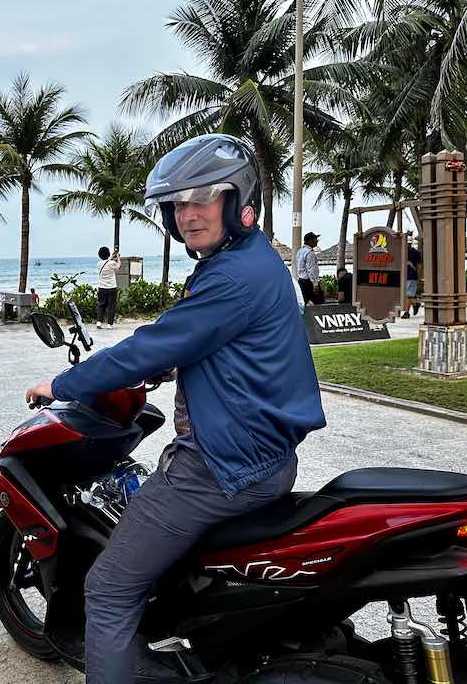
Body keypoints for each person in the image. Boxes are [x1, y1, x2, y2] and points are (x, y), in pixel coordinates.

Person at [25, 133, 325, 684]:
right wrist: (168, 366)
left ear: (237, 202)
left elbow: (151, 344)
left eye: (203, 198)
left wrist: (62, 384)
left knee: (109, 588)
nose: (188, 214)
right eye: (178, 203)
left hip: (219, 467)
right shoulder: (248, 261)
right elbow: (200, 342)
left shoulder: (232, 276)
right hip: (260, 455)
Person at [95, 246, 121, 329]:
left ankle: (99, 322)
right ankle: (109, 324)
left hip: (102, 288)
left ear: (100, 255)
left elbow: (106, 262)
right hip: (112, 288)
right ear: (108, 253)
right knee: (111, 306)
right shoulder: (112, 263)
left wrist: (112, 257)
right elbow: (118, 266)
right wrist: (117, 257)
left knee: (101, 305)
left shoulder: (98, 264)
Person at [295, 232, 323, 305]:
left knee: (304, 303)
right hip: (309, 282)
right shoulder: (310, 253)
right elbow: (311, 270)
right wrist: (315, 284)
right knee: (319, 303)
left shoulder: (300, 251)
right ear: (310, 241)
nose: (317, 241)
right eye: (315, 239)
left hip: (301, 281)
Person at [402, 234, 422, 318]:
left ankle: (406, 312)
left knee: (408, 295)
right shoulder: (402, 252)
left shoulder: (415, 253)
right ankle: (415, 304)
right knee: (407, 295)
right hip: (404, 276)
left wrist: (418, 276)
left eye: (408, 244)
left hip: (412, 276)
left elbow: (419, 266)